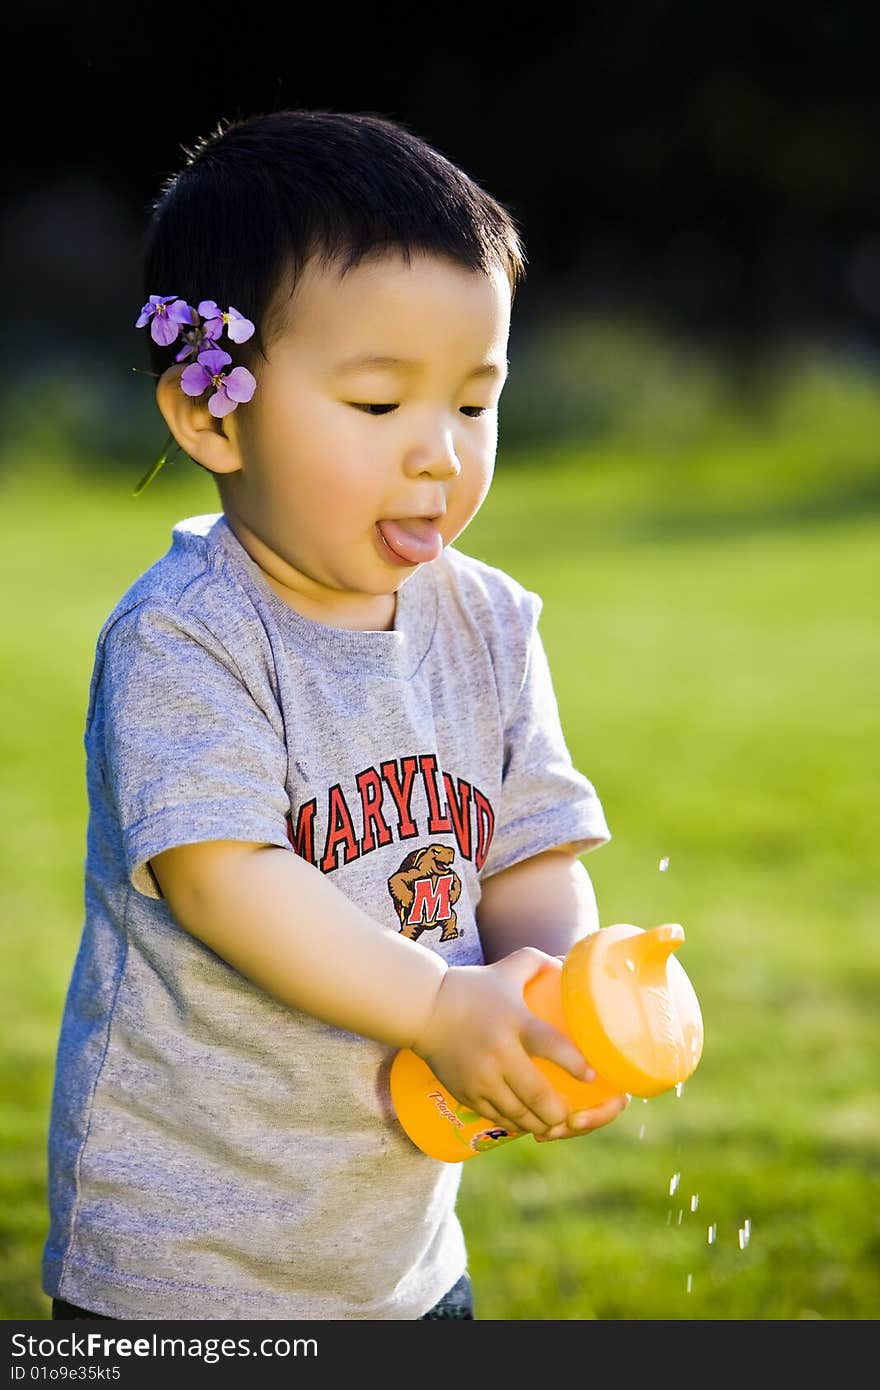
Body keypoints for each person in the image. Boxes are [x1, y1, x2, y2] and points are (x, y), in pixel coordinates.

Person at [42, 108, 627, 1323]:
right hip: (185, 1267)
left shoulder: (489, 623)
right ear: (212, 414)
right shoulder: (188, 636)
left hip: (399, 1263)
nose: (438, 455)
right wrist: (433, 1003)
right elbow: (223, 877)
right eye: (376, 407)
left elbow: (532, 847)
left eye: (474, 404)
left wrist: (552, 989)